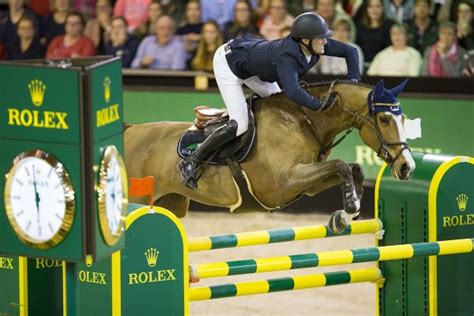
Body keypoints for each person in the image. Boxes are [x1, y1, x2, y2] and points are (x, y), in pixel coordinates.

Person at [179, 12, 361, 189]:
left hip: (252, 64)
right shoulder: (287, 56)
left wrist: (353, 84)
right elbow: (293, 91)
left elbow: (351, 52)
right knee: (240, 124)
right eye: (321, 37)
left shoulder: (313, 45)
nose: (325, 41)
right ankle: (192, 160)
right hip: (229, 64)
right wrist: (319, 105)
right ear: (305, 40)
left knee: (283, 107)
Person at [355, 0, 393, 69]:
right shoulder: (359, 26)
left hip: (383, 66)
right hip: (362, 66)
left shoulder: (389, 25)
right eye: (371, 6)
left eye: (378, 6)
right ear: (366, 9)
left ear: (383, 8)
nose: (374, 10)